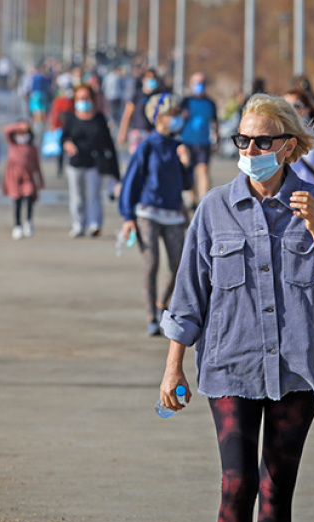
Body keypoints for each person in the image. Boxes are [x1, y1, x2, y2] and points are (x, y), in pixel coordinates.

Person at [157, 94, 314, 522]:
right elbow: (189, 294)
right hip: (231, 365)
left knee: (277, 489)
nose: (250, 151)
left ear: (287, 146)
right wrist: (173, 366)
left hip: (297, 369)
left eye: (261, 142)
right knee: (237, 484)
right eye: (243, 141)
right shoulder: (214, 208)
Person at [119, 94, 193, 336]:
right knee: (151, 264)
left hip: (173, 212)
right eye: (172, 114)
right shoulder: (147, 146)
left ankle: (163, 304)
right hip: (147, 212)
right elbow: (131, 181)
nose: (177, 119)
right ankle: (151, 316)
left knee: (179, 266)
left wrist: (186, 163)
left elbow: (185, 183)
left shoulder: (178, 146)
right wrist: (128, 216)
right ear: (159, 117)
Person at [62, 84, 119, 238]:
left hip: (94, 163)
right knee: (77, 196)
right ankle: (78, 224)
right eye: (80, 98)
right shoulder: (71, 118)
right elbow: (64, 137)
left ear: (93, 99)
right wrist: (67, 144)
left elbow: (109, 144)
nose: (83, 101)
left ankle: (95, 224)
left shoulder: (99, 118)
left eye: (86, 98)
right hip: (75, 163)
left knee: (94, 195)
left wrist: (115, 171)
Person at [179, 72, 219, 202]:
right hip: (187, 141)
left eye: (201, 83)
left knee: (203, 170)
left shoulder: (210, 103)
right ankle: (192, 199)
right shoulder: (186, 101)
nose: (199, 86)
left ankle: (205, 200)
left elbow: (215, 122)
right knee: (190, 172)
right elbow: (178, 120)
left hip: (204, 142)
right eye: (196, 83)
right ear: (191, 85)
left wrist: (217, 140)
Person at [2, 120, 44, 240]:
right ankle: (17, 225)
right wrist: (19, 126)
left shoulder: (32, 148)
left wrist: (40, 180)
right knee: (17, 201)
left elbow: (37, 165)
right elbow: (6, 130)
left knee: (29, 197)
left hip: (28, 178)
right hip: (14, 179)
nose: (22, 136)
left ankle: (28, 222)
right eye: (19, 133)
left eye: (24, 133)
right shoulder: (13, 145)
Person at [118, 69, 168, 155]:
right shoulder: (137, 95)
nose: (152, 80)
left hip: (153, 133)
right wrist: (122, 133)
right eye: (149, 78)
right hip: (138, 133)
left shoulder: (159, 96)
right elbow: (127, 115)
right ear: (143, 79)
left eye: (154, 78)